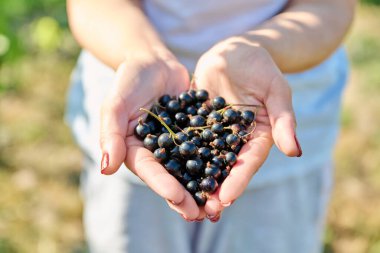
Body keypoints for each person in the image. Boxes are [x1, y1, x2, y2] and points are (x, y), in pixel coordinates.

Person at [65, 0, 356, 252]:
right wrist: (141, 54)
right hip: (131, 100)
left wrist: (258, 47)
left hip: (277, 106)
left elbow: (331, 6)